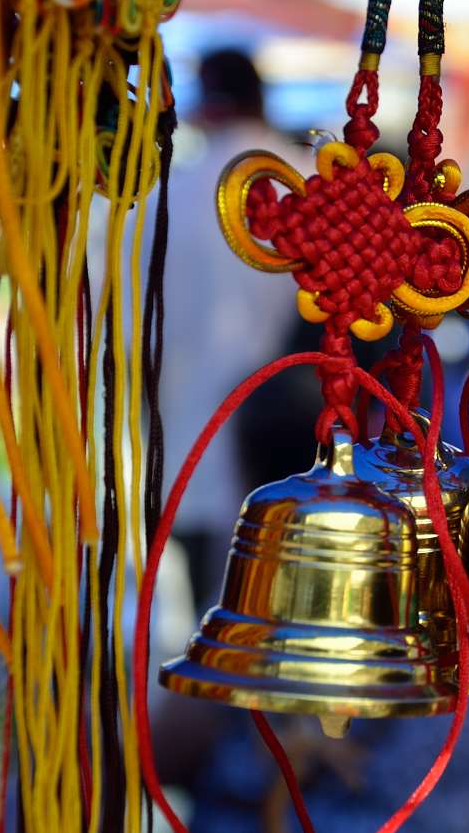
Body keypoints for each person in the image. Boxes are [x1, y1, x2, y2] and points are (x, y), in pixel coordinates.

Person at [157, 47, 301, 608]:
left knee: (214, 636)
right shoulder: (312, 181)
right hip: (306, 448)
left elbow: (126, 331)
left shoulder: (169, 192)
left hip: (195, 441)